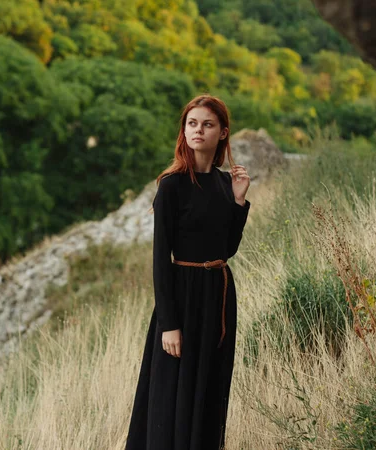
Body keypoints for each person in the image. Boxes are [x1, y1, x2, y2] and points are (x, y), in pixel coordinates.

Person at [124, 94, 251, 450]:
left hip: (219, 297)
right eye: (192, 123)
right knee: (171, 394)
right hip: (181, 296)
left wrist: (239, 203)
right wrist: (169, 323)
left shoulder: (227, 185)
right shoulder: (171, 185)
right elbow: (159, 257)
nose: (198, 130)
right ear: (184, 130)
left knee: (210, 390)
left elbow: (226, 250)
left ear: (222, 133)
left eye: (207, 124)